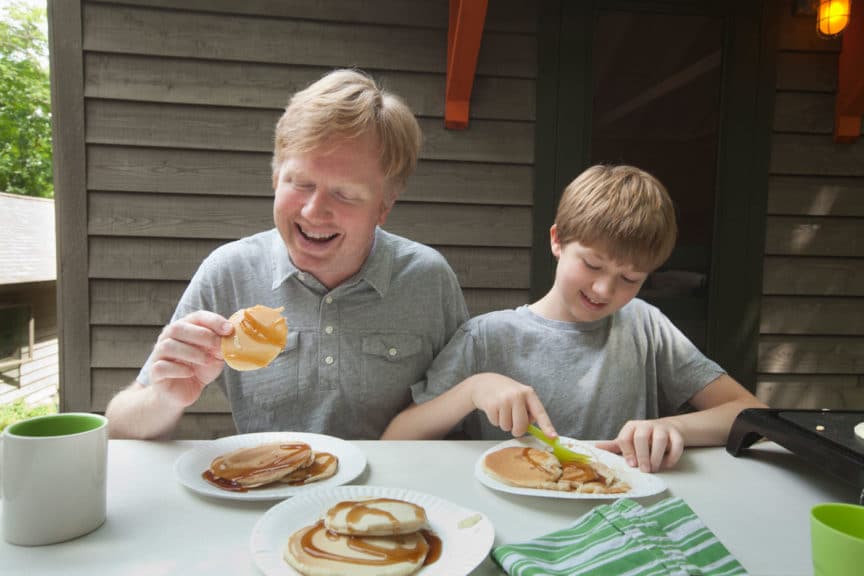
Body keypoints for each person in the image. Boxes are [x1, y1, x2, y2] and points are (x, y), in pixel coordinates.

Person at [105, 69, 469, 440]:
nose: (314, 211)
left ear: (383, 205)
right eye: (302, 183)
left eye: (344, 194)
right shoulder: (228, 272)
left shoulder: (429, 280)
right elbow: (120, 429)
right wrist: (164, 398)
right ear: (276, 179)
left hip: (391, 496)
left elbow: (463, 416)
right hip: (268, 491)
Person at [382, 164, 766, 472]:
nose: (603, 290)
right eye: (592, 264)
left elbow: (752, 416)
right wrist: (472, 390)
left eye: (630, 279)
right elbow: (394, 441)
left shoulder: (645, 324)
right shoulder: (486, 337)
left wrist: (671, 427)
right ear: (557, 240)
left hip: (621, 522)